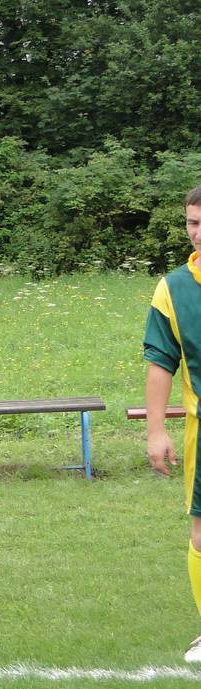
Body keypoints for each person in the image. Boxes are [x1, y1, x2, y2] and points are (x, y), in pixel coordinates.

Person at [143, 186, 201, 664]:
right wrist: (156, 431)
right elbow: (161, 360)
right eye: (193, 223)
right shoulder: (173, 289)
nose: (198, 233)